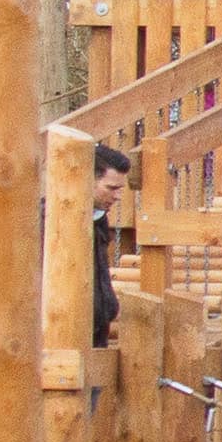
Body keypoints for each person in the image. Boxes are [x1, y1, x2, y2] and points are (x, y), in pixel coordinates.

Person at [84, 144, 131, 349]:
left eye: (119, 189)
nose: (117, 196)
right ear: (87, 181)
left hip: (96, 333)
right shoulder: (50, 221)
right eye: (111, 188)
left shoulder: (98, 220)